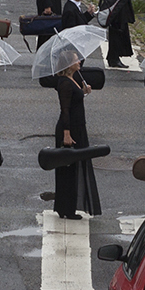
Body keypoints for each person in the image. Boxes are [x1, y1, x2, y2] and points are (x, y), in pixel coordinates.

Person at [51, 56, 100, 220]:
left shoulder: (72, 79)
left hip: (77, 128)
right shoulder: (65, 82)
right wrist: (66, 133)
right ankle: (67, 208)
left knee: (72, 168)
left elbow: (75, 101)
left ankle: (67, 207)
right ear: (68, 65)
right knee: (68, 169)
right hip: (70, 130)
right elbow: (65, 109)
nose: (79, 61)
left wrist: (83, 92)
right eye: (75, 60)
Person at [102, 0, 136, 68]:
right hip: (116, 7)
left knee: (120, 31)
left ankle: (115, 57)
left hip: (120, 6)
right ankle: (113, 58)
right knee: (116, 31)